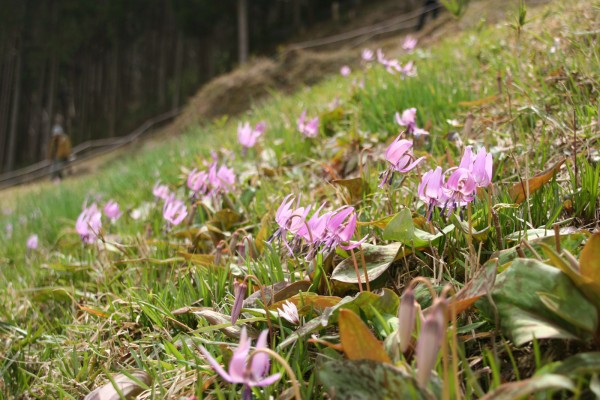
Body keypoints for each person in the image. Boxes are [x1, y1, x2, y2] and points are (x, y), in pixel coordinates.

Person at [48, 115, 72, 181]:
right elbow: (51, 150)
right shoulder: (53, 141)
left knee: (58, 167)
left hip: (62, 157)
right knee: (53, 168)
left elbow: (67, 149)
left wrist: (68, 156)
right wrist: (50, 158)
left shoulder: (64, 139)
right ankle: (54, 179)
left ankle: (58, 178)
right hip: (55, 157)